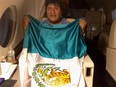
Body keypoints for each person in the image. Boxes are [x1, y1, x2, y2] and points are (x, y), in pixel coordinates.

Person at [22, 0, 87, 34]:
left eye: (56, 8)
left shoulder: (68, 26)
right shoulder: (40, 26)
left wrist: (81, 30)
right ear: (46, 11)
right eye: (49, 8)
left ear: (61, 11)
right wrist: (26, 27)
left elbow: (76, 42)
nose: (52, 11)